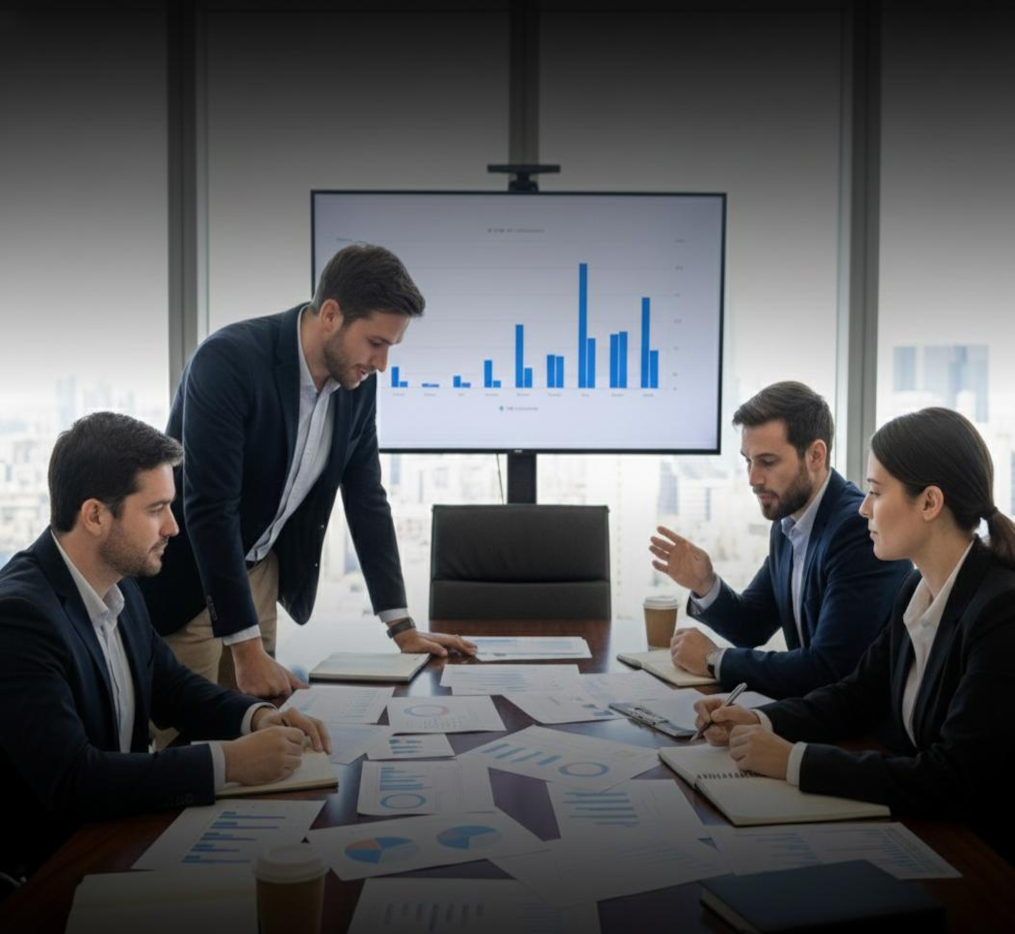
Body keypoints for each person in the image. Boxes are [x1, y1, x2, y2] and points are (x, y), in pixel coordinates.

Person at [0, 413, 331, 881]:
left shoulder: (120, 586)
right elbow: (74, 780)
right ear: (95, 516)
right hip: (53, 871)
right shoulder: (19, 617)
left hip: (121, 834)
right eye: (156, 509)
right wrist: (230, 762)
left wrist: (257, 717)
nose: (174, 526)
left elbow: (173, 688)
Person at [139, 244, 475, 700]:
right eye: (376, 343)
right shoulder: (228, 362)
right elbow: (211, 509)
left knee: (256, 725)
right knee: (185, 728)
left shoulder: (356, 383)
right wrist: (246, 649)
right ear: (331, 314)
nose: (382, 364)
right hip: (192, 576)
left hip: (259, 573)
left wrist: (401, 626)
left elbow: (366, 496)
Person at [693, 407, 1015, 858]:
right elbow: (856, 695)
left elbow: (953, 777)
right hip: (926, 829)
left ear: (929, 503)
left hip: (984, 859)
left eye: (876, 493)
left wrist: (794, 761)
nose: (864, 508)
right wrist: (760, 720)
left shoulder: (1001, 612)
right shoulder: (915, 589)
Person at [649, 381, 911, 698]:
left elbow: (830, 669)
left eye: (768, 462)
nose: (753, 478)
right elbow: (752, 626)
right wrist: (704, 583)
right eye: (748, 460)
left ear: (815, 455)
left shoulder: (857, 530)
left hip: (860, 723)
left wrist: (714, 660)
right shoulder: (788, 522)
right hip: (811, 713)